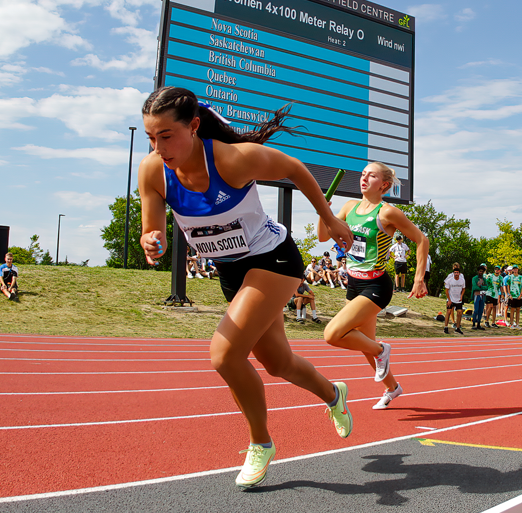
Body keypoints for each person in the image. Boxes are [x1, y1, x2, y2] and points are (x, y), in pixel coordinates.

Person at [135, 86, 353, 488]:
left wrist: (331, 218)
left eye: (166, 136)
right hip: (232, 270)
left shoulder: (234, 159)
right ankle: (333, 394)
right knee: (277, 362)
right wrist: (153, 242)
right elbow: (155, 232)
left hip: (274, 258)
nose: (158, 147)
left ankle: (260, 442)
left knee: (224, 355)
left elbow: (294, 168)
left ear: (194, 126)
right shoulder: (152, 171)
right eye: (151, 137)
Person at [324, 162, 429, 411]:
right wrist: (323, 211)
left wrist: (418, 277)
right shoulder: (350, 207)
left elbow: (421, 239)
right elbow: (323, 235)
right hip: (354, 282)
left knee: (332, 334)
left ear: (383, 185)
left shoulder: (387, 213)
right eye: (362, 174)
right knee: (364, 345)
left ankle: (383, 349)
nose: (363, 178)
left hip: (377, 285)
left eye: (371, 175)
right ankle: (393, 388)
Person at [442, 264, 466, 333]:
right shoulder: (450, 278)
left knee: (459, 312)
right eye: (455, 272)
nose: (456, 274)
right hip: (451, 298)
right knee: (449, 311)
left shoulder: (462, 279)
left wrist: (461, 296)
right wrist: (449, 299)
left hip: (458, 299)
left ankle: (458, 327)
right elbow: (446, 290)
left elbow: (464, 288)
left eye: (457, 272)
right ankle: (446, 327)